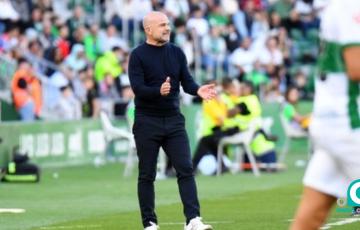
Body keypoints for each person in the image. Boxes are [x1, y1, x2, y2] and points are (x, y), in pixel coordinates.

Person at [128, 11, 215, 230]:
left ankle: (193, 220)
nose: (167, 28)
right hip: (147, 121)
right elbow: (137, 88)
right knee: (147, 174)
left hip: (174, 120)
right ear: (148, 30)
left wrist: (198, 90)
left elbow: (187, 82)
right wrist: (158, 90)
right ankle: (149, 223)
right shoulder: (137, 55)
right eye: (162, 25)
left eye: (168, 24)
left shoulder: (176, 52)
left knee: (185, 169)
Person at [290, 0, 360, 229]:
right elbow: (356, 66)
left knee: (310, 218)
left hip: (334, 124)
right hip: (349, 125)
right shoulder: (351, 6)